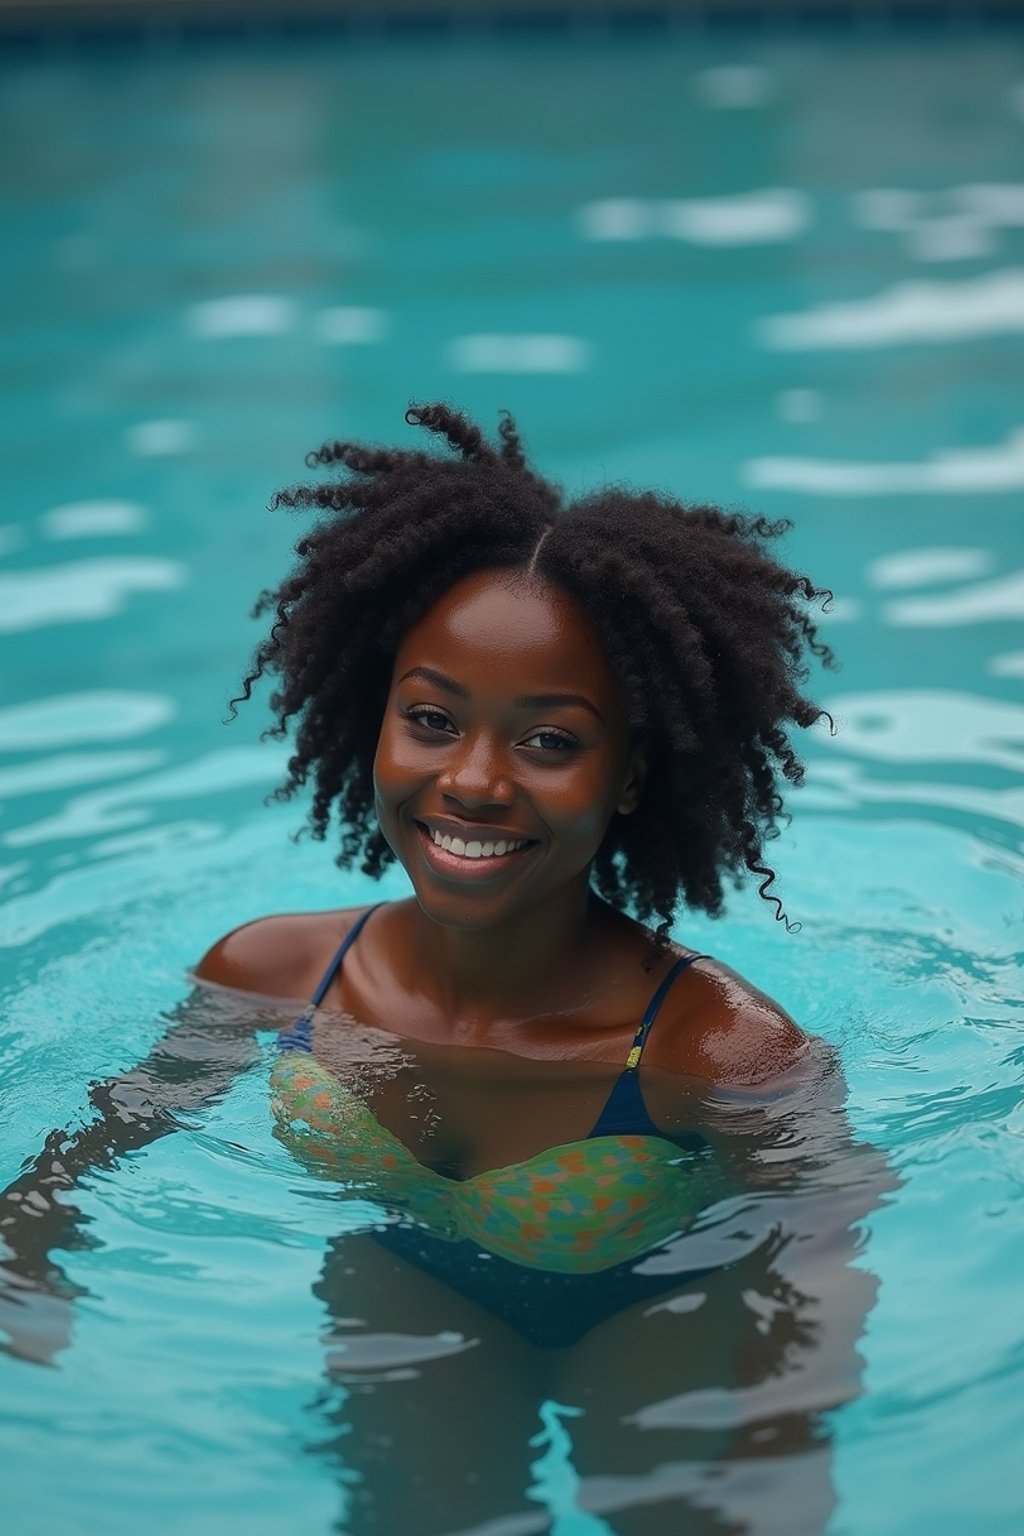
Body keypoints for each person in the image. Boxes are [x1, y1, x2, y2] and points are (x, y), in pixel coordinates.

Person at [1, 404, 885, 1534]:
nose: (472, 779)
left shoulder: (713, 1047)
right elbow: (112, 1127)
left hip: (661, 1303)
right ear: (373, 723)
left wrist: (777, 1445)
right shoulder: (272, 973)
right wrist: (28, 1238)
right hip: (410, 1283)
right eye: (430, 719)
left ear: (628, 777)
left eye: (550, 740)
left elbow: (823, 1248)